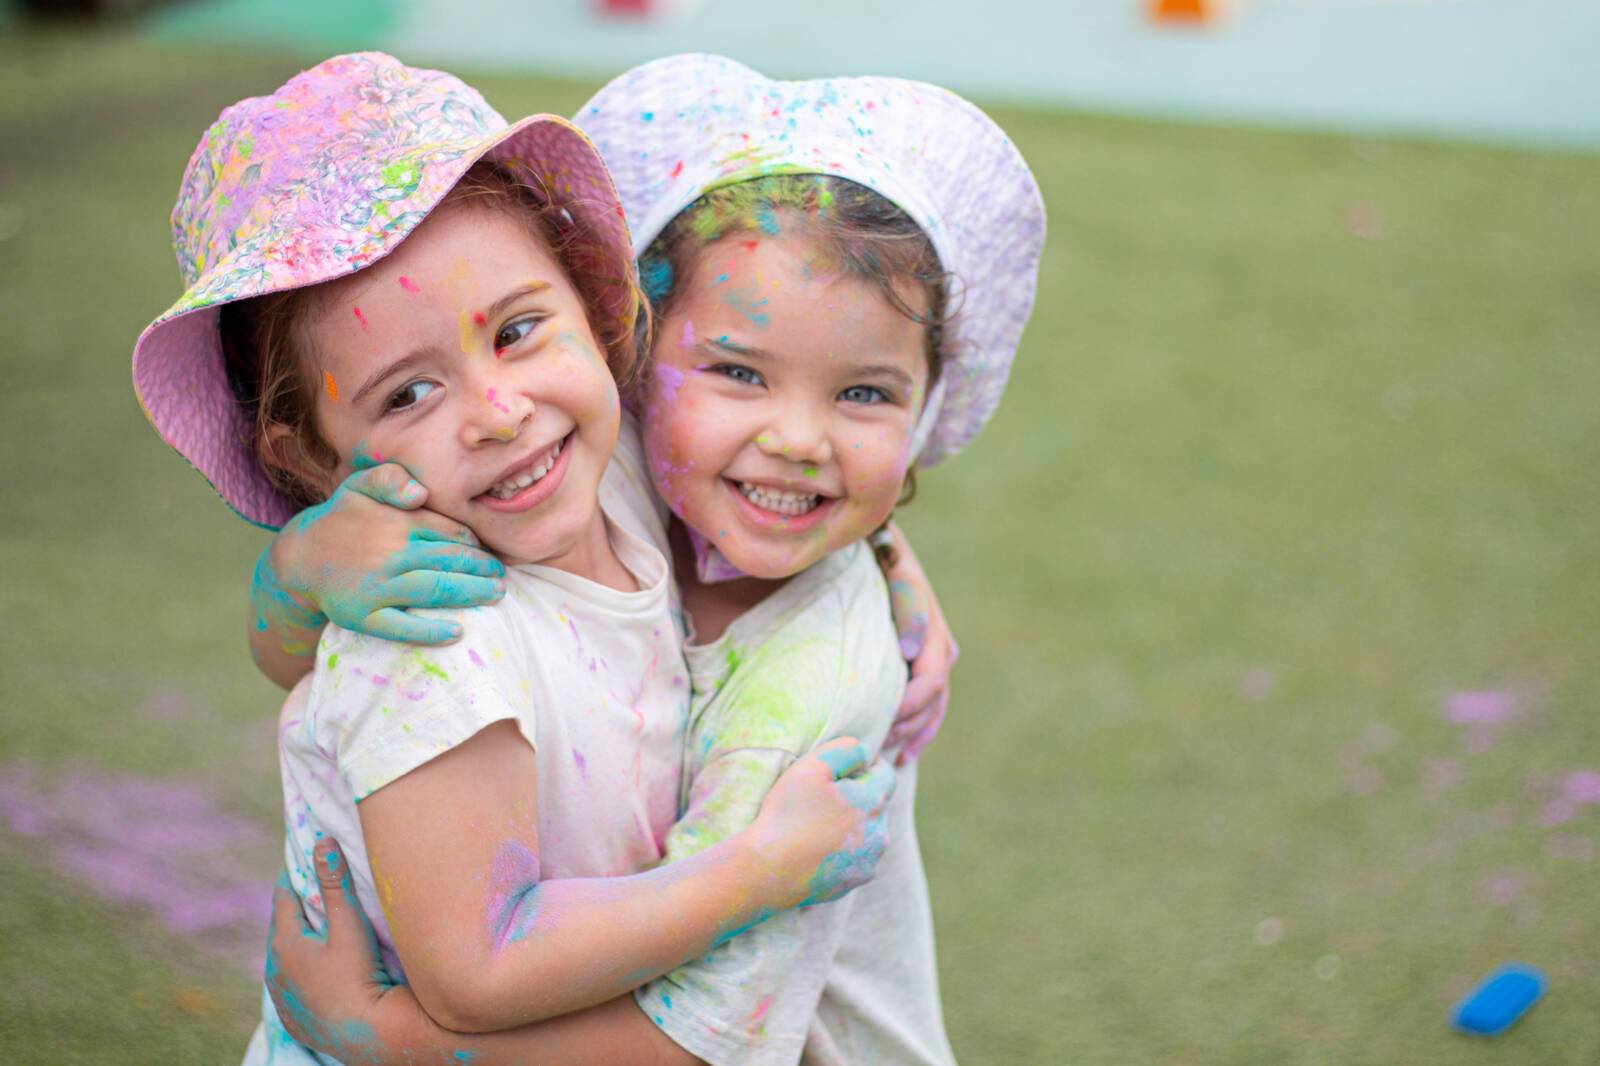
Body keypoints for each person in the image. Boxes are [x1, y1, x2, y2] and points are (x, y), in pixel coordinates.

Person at [257, 54, 1045, 1065]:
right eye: (738, 372)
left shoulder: (819, 693)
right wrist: (297, 569)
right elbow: (290, 655)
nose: (797, 440)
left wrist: (383, 1037)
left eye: (863, 394)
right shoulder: (589, 462)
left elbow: (693, 1041)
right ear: (632, 351)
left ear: (922, 407)